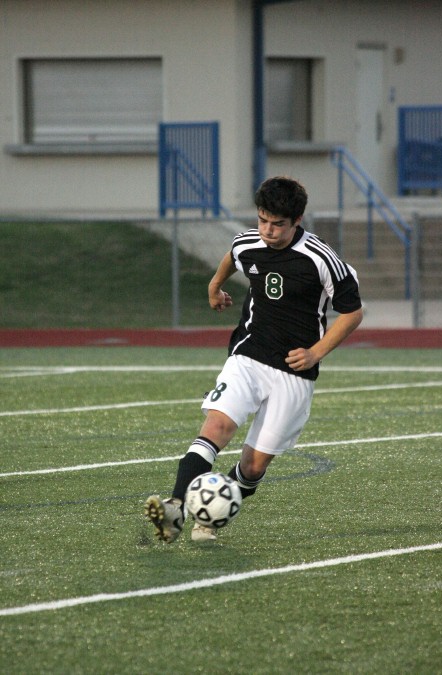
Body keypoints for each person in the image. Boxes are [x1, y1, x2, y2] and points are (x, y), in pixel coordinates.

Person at [145, 176, 363, 543]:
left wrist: (315, 352)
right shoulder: (249, 240)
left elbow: (352, 313)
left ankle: (211, 515)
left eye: (278, 224)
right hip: (248, 354)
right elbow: (233, 256)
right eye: (263, 220)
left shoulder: (322, 259)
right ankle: (175, 508)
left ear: (297, 220)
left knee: (253, 466)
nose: (268, 230)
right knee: (216, 428)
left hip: (295, 373)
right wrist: (215, 287)